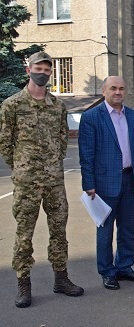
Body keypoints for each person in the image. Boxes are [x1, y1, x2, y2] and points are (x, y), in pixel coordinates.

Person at [0, 51, 84, 308]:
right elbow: (5, 142)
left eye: (48, 70)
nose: (43, 73)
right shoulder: (12, 105)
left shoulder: (58, 106)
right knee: (24, 233)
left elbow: (62, 139)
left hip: (54, 181)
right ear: (29, 70)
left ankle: (61, 278)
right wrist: (21, 167)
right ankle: (23, 284)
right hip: (26, 182)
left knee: (59, 230)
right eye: (39, 68)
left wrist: (52, 164)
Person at [79, 76, 134, 290]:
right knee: (106, 230)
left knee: (128, 229)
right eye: (113, 88)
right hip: (103, 183)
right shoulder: (91, 117)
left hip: (130, 179)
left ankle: (125, 267)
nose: (118, 92)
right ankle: (107, 272)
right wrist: (88, 183)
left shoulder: (133, 116)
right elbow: (86, 154)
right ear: (104, 91)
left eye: (121, 88)